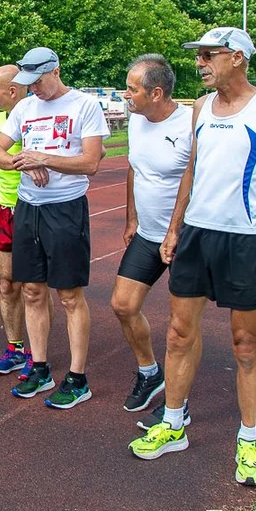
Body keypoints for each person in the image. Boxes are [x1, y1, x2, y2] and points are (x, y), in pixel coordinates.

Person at [128, 27, 256, 489]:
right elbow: (193, 169)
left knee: (244, 344)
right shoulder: (200, 108)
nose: (200, 63)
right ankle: (173, 423)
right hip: (197, 237)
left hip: (246, 241)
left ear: (238, 58)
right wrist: (174, 228)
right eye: (198, 56)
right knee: (179, 332)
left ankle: (247, 440)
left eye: (210, 55)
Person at [0, 47, 109, 409]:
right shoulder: (24, 108)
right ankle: (39, 367)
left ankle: (77, 377)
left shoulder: (84, 106)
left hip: (66, 209)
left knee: (70, 296)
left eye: (38, 81)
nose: (33, 89)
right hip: (28, 209)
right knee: (31, 292)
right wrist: (21, 162)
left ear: (56, 71)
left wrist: (45, 158)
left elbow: (90, 163)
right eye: (28, 83)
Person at [109, 56, 195, 429]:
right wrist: (132, 217)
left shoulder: (191, 123)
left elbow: (195, 180)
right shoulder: (136, 120)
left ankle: (180, 402)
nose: (126, 95)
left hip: (187, 236)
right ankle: (150, 372)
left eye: (132, 89)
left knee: (182, 326)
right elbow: (134, 167)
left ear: (156, 92)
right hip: (148, 234)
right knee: (123, 305)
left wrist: (175, 230)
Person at [0, 65, 33, 378]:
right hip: (1, 206)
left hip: (33, 209)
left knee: (34, 287)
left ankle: (36, 354)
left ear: (12, 91)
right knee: (7, 283)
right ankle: (14, 347)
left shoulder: (38, 116)